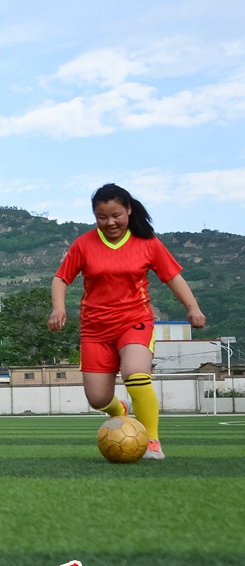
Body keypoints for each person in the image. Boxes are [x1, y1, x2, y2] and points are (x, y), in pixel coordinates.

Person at [48, 183, 206, 460]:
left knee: (136, 375)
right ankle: (120, 410)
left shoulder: (147, 243)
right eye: (102, 217)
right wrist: (58, 308)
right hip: (95, 330)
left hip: (135, 321)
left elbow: (172, 277)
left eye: (116, 215)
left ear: (129, 210)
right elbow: (61, 278)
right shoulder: (84, 244)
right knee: (97, 399)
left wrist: (192, 308)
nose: (110, 222)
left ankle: (152, 441)